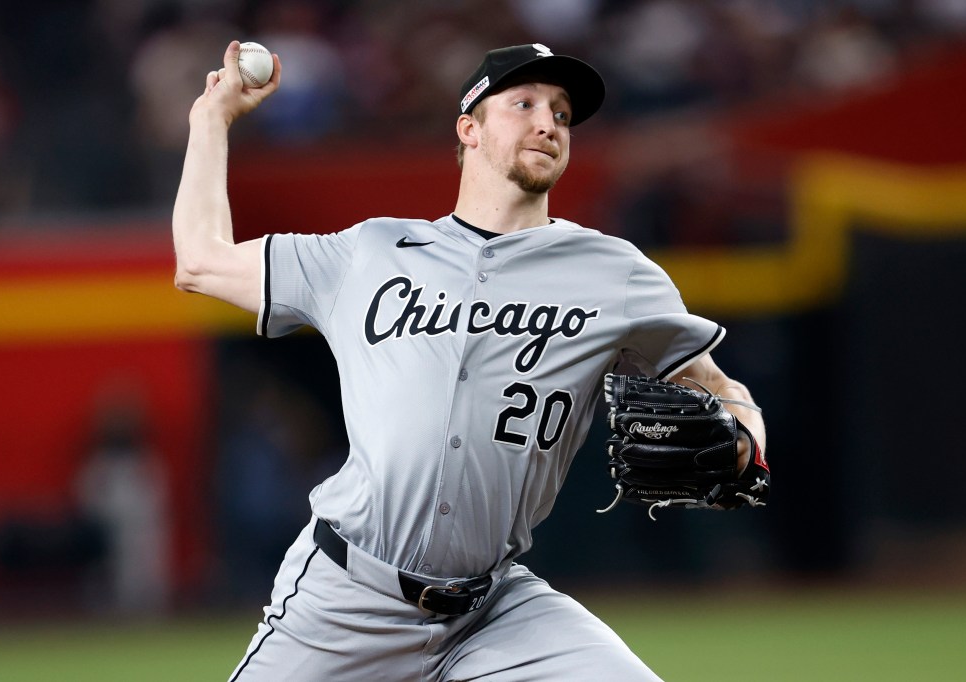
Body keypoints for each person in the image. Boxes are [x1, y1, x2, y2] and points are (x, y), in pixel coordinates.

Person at [174, 40, 766, 682]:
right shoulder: (369, 253)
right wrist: (211, 120)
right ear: (470, 128)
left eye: (563, 114)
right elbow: (201, 262)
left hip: (494, 610)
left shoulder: (614, 272)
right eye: (525, 104)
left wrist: (745, 438)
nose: (549, 123)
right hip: (345, 603)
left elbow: (715, 384)